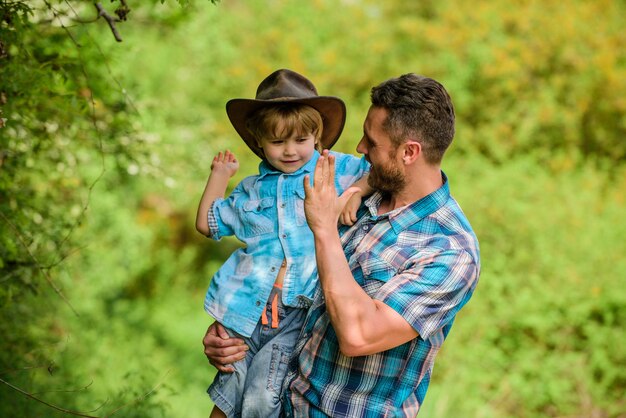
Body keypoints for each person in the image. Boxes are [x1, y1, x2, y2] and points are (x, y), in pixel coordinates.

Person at [203, 73, 481, 417]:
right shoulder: (357, 192)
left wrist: (323, 228)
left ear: (409, 152)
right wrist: (234, 329)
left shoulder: (449, 250)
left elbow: (358, 335)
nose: (359, 149)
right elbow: (277, 256)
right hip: (280, 400)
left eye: (371, 142)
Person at [195, 69, 371, 418]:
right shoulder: (250, 190)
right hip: (244, 309)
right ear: (259, 141)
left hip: (295, 311)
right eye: (278, 142)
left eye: (301, 140)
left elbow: (377, 169)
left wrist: (355, 192)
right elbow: (208, 223)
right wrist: (219, 177)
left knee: (263, 394)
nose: (290, 151)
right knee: (227, 392)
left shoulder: (332, 169)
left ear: (317, 137)